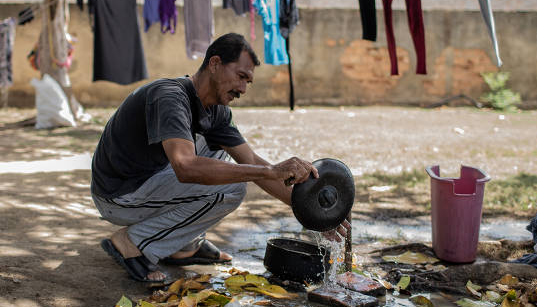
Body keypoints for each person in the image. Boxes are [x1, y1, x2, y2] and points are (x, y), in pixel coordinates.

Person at [91, 33, 349, 282]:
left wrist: (314, 213)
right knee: (230, 186)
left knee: (219, 151)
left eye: (248, 81)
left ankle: (182, 246)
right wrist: (268, 172)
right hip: (118, 195)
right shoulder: (170, 97)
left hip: (147, 180)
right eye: (240, 76)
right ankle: (134, 242)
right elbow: (185, 167)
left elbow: (253, 162)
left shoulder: (216, 111)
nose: (243, 88)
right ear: (215, 63)